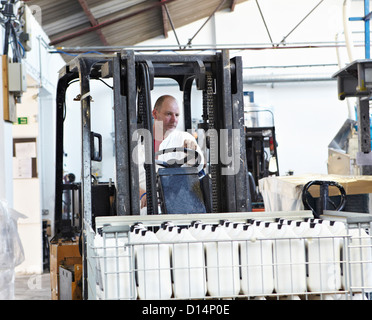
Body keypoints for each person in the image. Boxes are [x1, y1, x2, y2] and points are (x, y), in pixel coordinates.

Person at [138, 95, 205, 209]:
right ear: (155, 114)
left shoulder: (184, 138)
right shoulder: (135, 143)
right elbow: (121, 180)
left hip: (179, 207)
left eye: (177, 115)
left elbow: (199, 167)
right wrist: (142, 195)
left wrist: (192, 153)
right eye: (168, 114)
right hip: (144, 209)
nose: (174, 120)